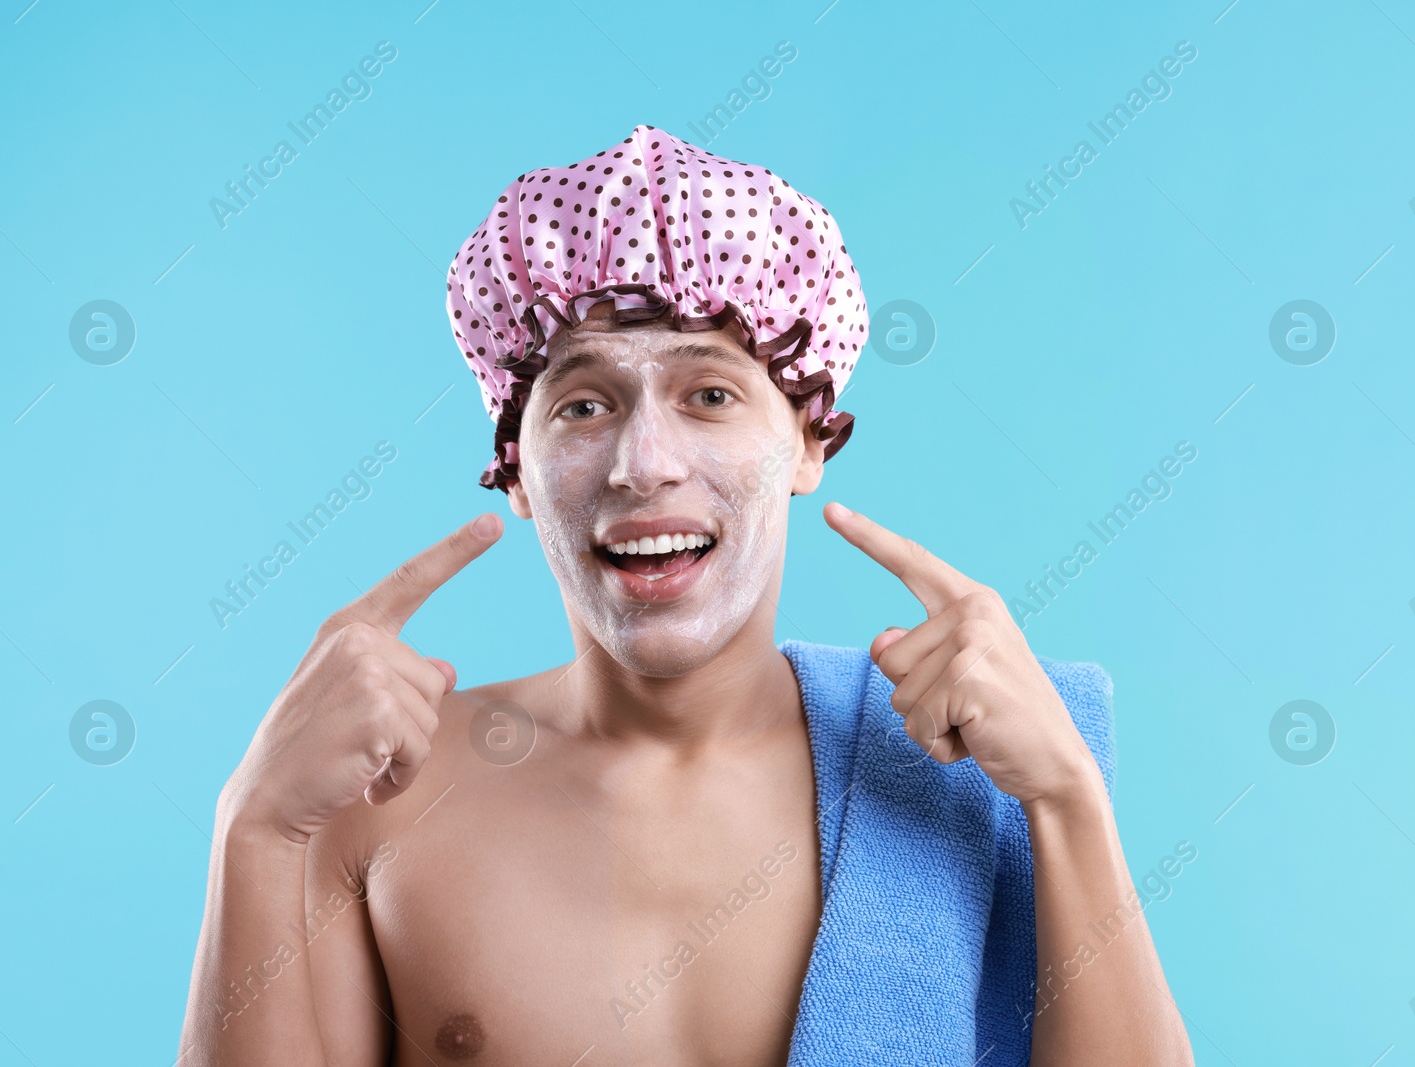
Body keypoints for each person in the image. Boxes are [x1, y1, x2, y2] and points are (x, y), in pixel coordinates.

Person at [179, 125, 1194, 1066]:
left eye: (709, 393)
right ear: (517, 472)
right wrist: (254, 828)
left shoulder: (976, 775)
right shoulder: (373, 796)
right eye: (583, 402)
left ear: (805, 439)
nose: (641, 462)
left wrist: (1066, 798)